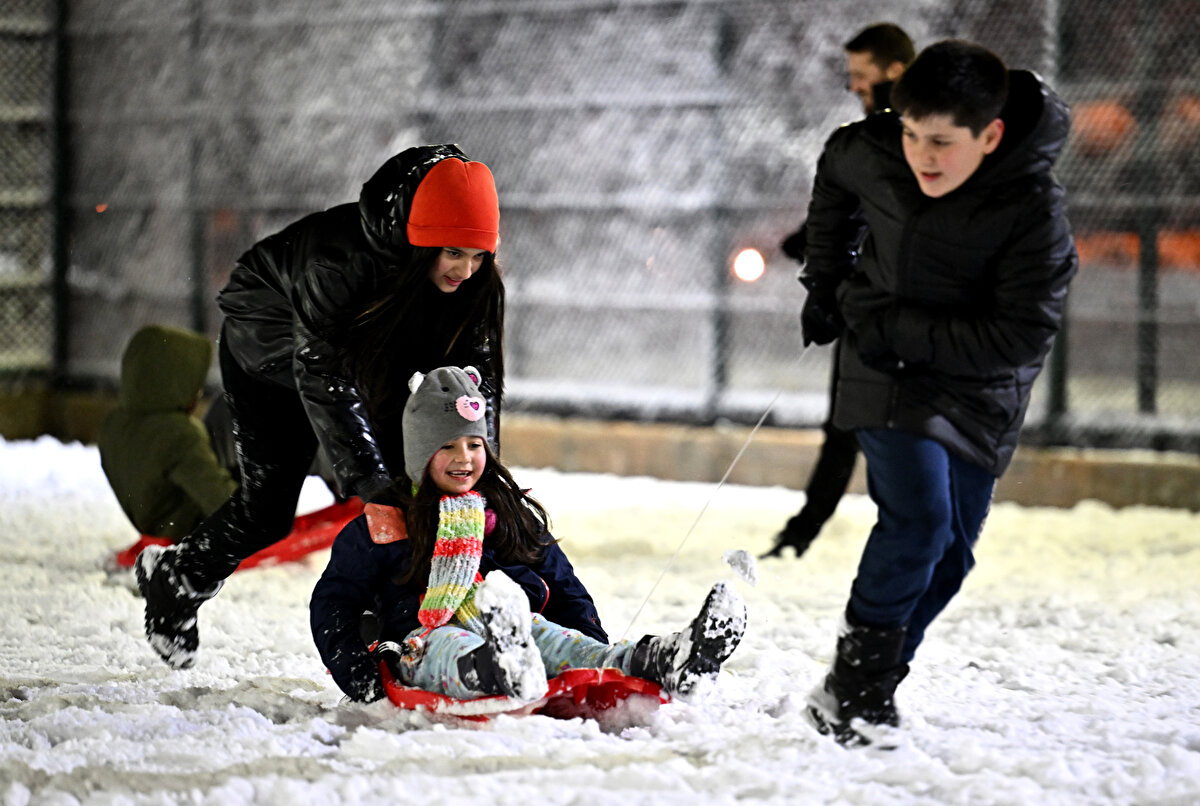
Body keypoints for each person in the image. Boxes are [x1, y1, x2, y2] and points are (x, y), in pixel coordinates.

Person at [797, 40, 1077, 745]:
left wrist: (897, 324)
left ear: (991, 135)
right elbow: (835, 170)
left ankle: (859, 685)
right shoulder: (878, 147)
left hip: (979, 387)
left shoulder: (1035, 215)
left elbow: (1015, 339)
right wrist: (827, 281)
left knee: (951, 555)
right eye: (912, 133)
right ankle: (858, 693)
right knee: (919, 522)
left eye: (943, 142)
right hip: (882, 369)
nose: (923, 154)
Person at [135, 144, 506, 670]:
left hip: (365, 352)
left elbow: (476, 382)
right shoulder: (338, 263)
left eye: (478, 256)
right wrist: (370, 486)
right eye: (452, 254)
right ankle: (178, 578)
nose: (466, 271)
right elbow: (323, 372)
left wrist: (485, 466)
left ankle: (420, 625)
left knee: (430, 480)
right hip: (272, 354)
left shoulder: (473, 282)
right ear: (418, 240)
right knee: (269, 510)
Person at [310, 366, 747, 703]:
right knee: (448, 648)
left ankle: (663, 660)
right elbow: (335, 602)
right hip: (422, 641)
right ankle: (495, 667)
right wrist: (359, 671)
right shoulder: (387, 524)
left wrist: (587, 642)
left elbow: (562, 583)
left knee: (554, 640)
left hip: (519, 627)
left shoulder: (507, 515)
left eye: (474, 445)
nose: (463, 458)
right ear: (421, 455)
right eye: (446, 447)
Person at [766, 23, 915, 559]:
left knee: (874, 427)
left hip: (895, 306)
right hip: (862, 299)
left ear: (894, 70)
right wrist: (813, 247)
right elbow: (857, 205)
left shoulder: (917, 136)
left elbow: (887, 212)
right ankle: (802, 531)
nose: (853, 85)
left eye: (861, 74)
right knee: (845, 421)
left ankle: (817, 531)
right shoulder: (871, 136)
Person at [98, 324, 238, 542]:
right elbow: (220, 500)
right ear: (173, 381)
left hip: (156, 521)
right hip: (190, 527)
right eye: (192, 383)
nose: (198, 393)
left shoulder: (114, 424)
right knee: (235, 406)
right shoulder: (178, 434)